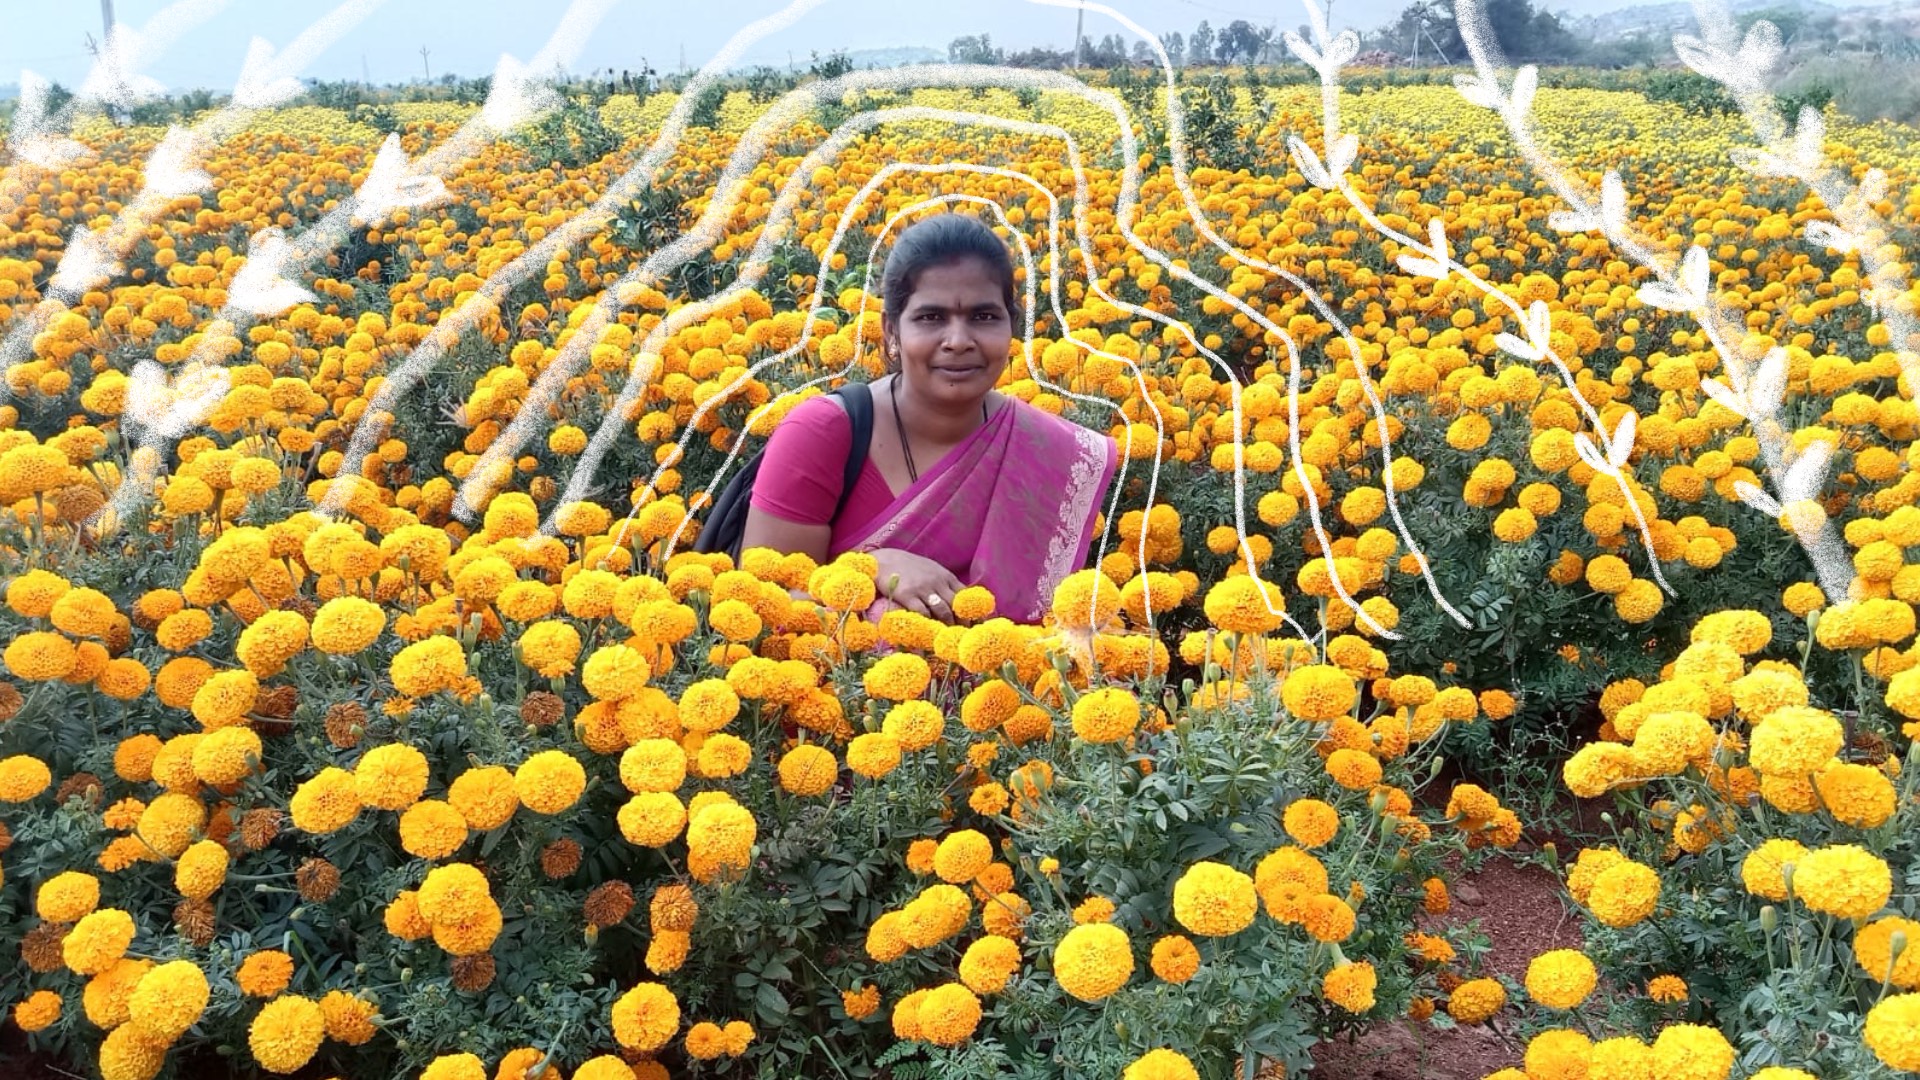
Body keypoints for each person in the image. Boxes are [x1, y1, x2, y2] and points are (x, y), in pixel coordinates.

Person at [740, 213, 1118, 625]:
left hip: (1011, 684)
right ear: (891, 331)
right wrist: (872, 568)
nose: (958, 341)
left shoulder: (1045, 448)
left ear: (1011, 325)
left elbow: (1049, 625)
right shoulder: (823, 433)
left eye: (984, 316)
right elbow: (767, 606)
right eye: (931, 317)